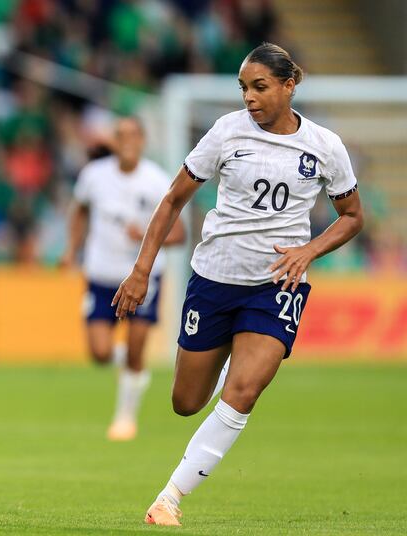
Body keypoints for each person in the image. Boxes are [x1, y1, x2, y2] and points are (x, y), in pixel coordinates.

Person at [112, 43, 364, 526]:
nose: (249, 97)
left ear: (289, 86)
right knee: (186, 403)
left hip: (277, 285)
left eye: (260, 87)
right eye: (244, 88)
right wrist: (141, 269)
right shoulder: (227, 132)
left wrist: (309, 251)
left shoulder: (325, 146)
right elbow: (171, 200)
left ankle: (168, 498)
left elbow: (352, 216)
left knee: (244, 391)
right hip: (215, 280)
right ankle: (227, 367)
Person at [61, 117, 185, 441]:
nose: (127, 141)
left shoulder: (158, 181)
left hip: (143, 279)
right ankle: (132, 365)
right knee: (100, 353)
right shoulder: (94, 176)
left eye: (133, 135)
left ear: (143, 140)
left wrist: (146, 235)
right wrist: (71, 249)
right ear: (114, 141)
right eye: (120, 135)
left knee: (136, 347)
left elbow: (180, 234)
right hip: (101, 275)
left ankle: (125, 418)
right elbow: (79, 211)